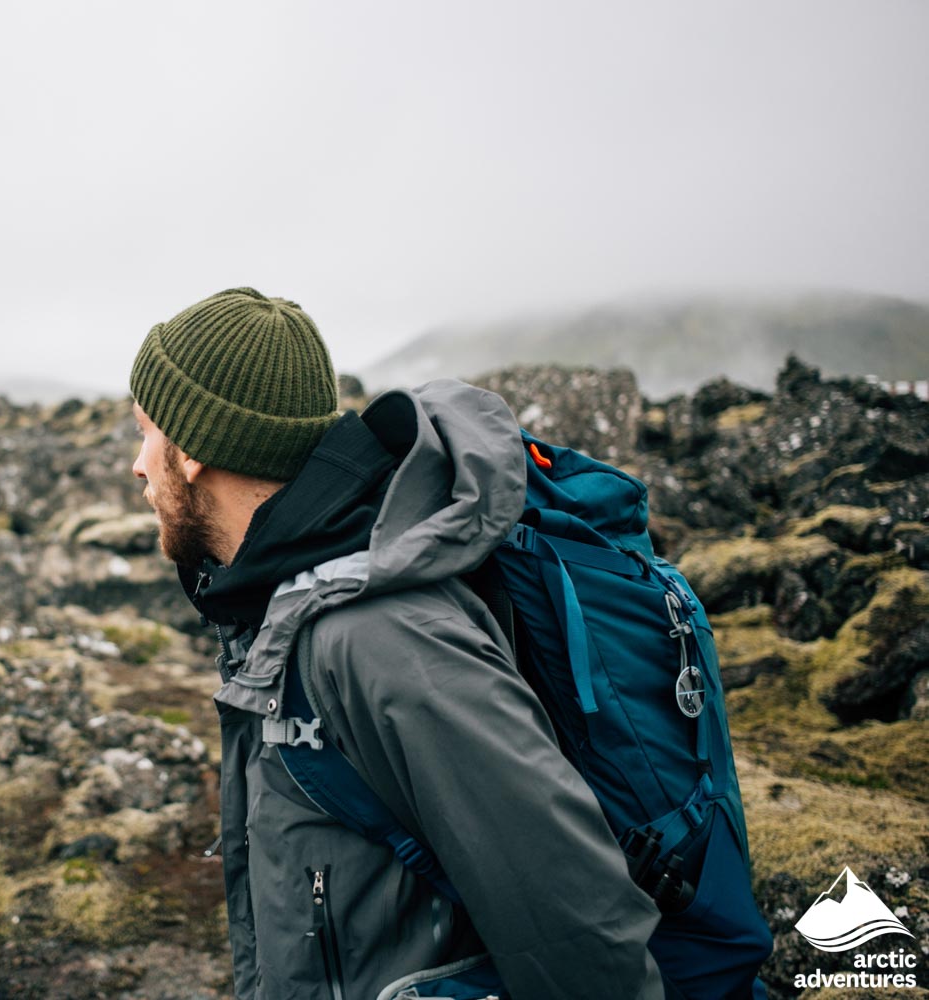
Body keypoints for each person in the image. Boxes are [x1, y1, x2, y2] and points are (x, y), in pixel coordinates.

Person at [128, 287, 667, 1000]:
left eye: (146, 433)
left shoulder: (377, 637)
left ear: (193, 450)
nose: (138, 464)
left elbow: (578, 929)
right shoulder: (281, 603)